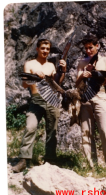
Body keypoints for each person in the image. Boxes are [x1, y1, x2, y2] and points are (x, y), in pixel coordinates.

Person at [12, 39, 66, 173]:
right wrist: (34, 75)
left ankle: (51, 160)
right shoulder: (29, 64)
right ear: (37, 49)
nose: (45, 51)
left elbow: (57, 83)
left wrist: (63, 70)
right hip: (36, 100)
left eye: (47, 49)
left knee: (52, 131)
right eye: (43, 48)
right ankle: (24, 160)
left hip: (51, 100)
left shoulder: (51, 66)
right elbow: (25, 85)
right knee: (30, 127)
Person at [76, 34, 106, 172]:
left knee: (105, 130)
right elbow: (76, 84)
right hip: (85, 96)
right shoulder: (82, 63)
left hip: (100, 95)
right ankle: (91, 167)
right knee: (86, 132)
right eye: (86, 48)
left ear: (97, 46)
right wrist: (82, 76)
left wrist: (95, 74)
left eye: (91, 47)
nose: (88, 51)